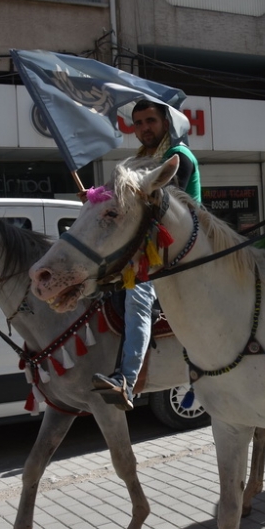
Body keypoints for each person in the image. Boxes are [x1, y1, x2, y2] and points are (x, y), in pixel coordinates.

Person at [92, 99, 202, 409]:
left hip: (177, 250)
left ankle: (126, 380)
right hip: (148, 248)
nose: (143, 128)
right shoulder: (138, 160)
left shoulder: (178, 157)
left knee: (137, 297)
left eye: (150, 121)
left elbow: (160, 208)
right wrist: (94, 199)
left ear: (166, 124)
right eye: (138, 123)